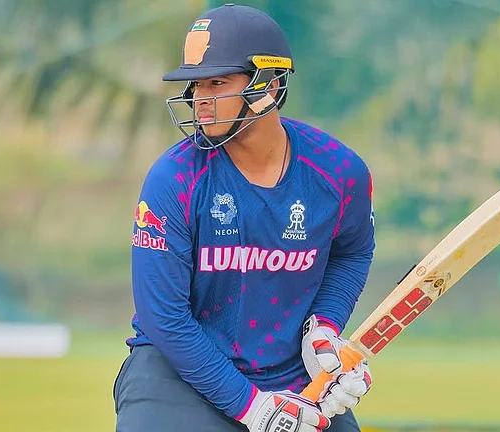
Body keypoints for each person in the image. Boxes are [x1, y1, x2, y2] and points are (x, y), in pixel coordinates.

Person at [113, 4, 376, 432]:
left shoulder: (339, 172)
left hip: (286, 372)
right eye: (197, 85)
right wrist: (251, 407)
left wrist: (323, 328)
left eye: (217, 82)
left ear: (267, 86)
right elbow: (165, 318)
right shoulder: (173, 179)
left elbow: (353, 249)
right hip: (176, 375)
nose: (200, 100)